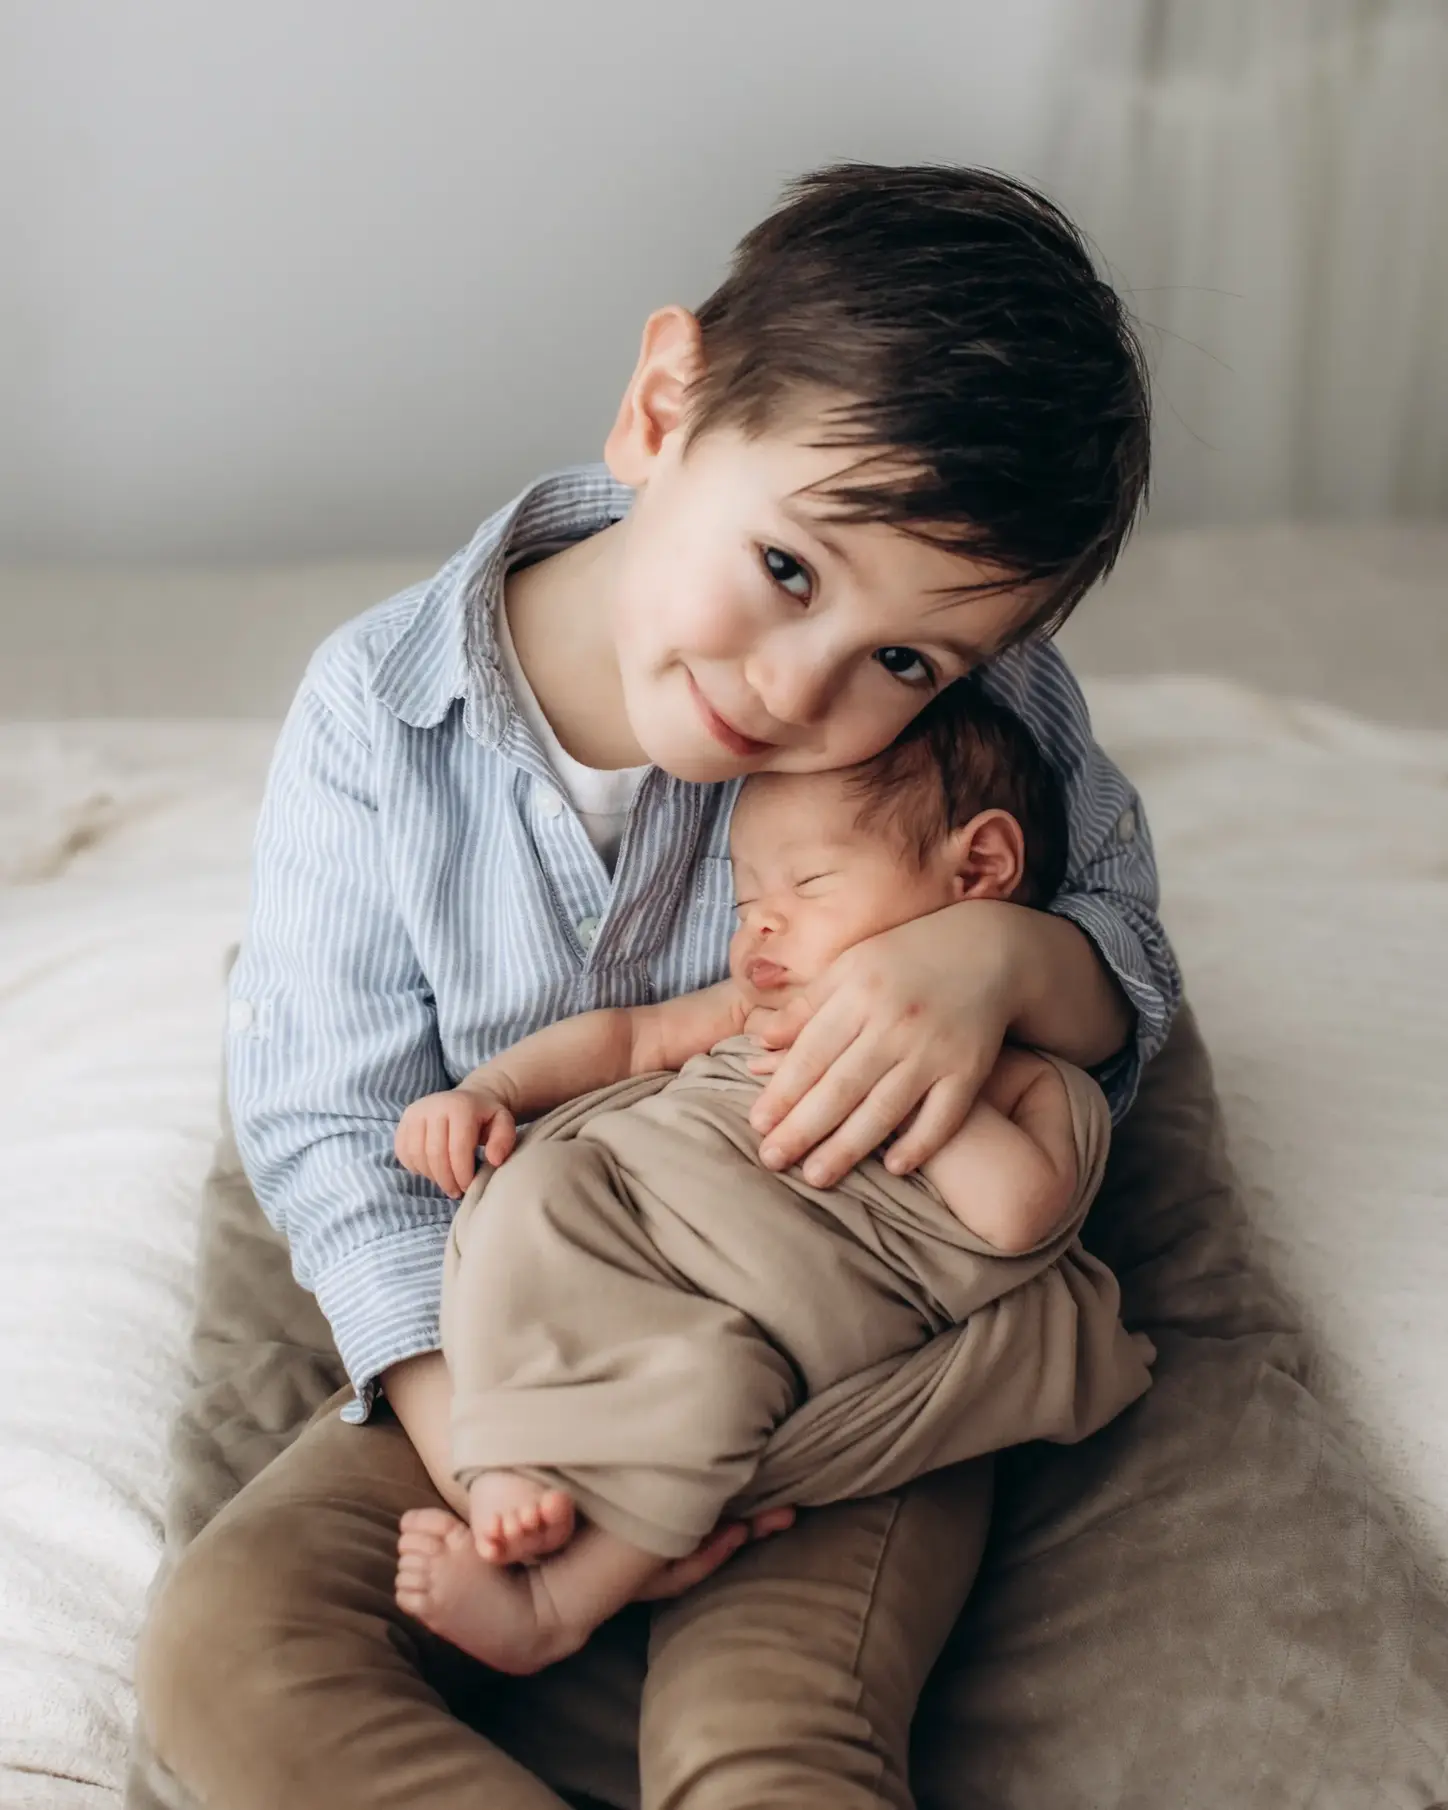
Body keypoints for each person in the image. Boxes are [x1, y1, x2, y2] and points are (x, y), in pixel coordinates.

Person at [136, 161, 1179, 1810]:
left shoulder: (998, 703)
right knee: (223, 1647)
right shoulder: (372, 720)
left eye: (904, 664)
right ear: (660, 408)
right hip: (533, 1354)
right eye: (784, 571)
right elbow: (331, 1118)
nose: (801, 688)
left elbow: (1124, 952)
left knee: (762, 1742)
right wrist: (489, 1438)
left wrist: (1005, 955)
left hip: (863, 1374)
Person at [392, 684, 1155, 1681]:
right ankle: (503, 1463)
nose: (758, 930)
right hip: (634, 1222)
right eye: (746, 899)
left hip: (766, 1315)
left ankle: (553, 1602)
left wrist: (919, 1077)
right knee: (527, 1199)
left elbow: (1021, 1217)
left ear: (977, 870)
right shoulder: (761, 1007)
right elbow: (630, 1038)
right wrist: (489, 1088)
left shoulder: (1031, 1080)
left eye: (806, 884)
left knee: (716, 1392)